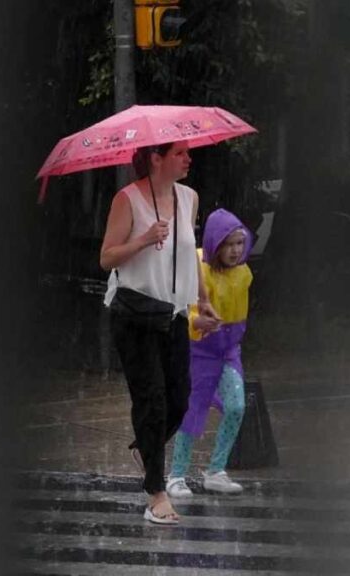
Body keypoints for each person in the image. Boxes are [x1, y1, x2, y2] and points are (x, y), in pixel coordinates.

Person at [99, 140, 220, 525]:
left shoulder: (189, 198)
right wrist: (144, 239)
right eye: (179, 153)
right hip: (135, 313)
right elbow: (106, 257)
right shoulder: (127, 199)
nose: (188, 158)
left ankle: (145, 446)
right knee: (151, 400)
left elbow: (189, 252)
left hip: (174, 313)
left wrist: (202, 299)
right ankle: (156, 493)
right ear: (156, 158)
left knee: (180, 399)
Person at [166, 208, 253, 498]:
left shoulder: (243, 273)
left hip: (227, 351)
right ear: (215, 243)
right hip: (199, 352)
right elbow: (183, 307)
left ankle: (216, 470)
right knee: (192, 411)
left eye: (239, 243)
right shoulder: (198, 268)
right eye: (228, 244)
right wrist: (196, 323)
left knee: (236, 406)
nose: (235, 250)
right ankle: (177, 474)